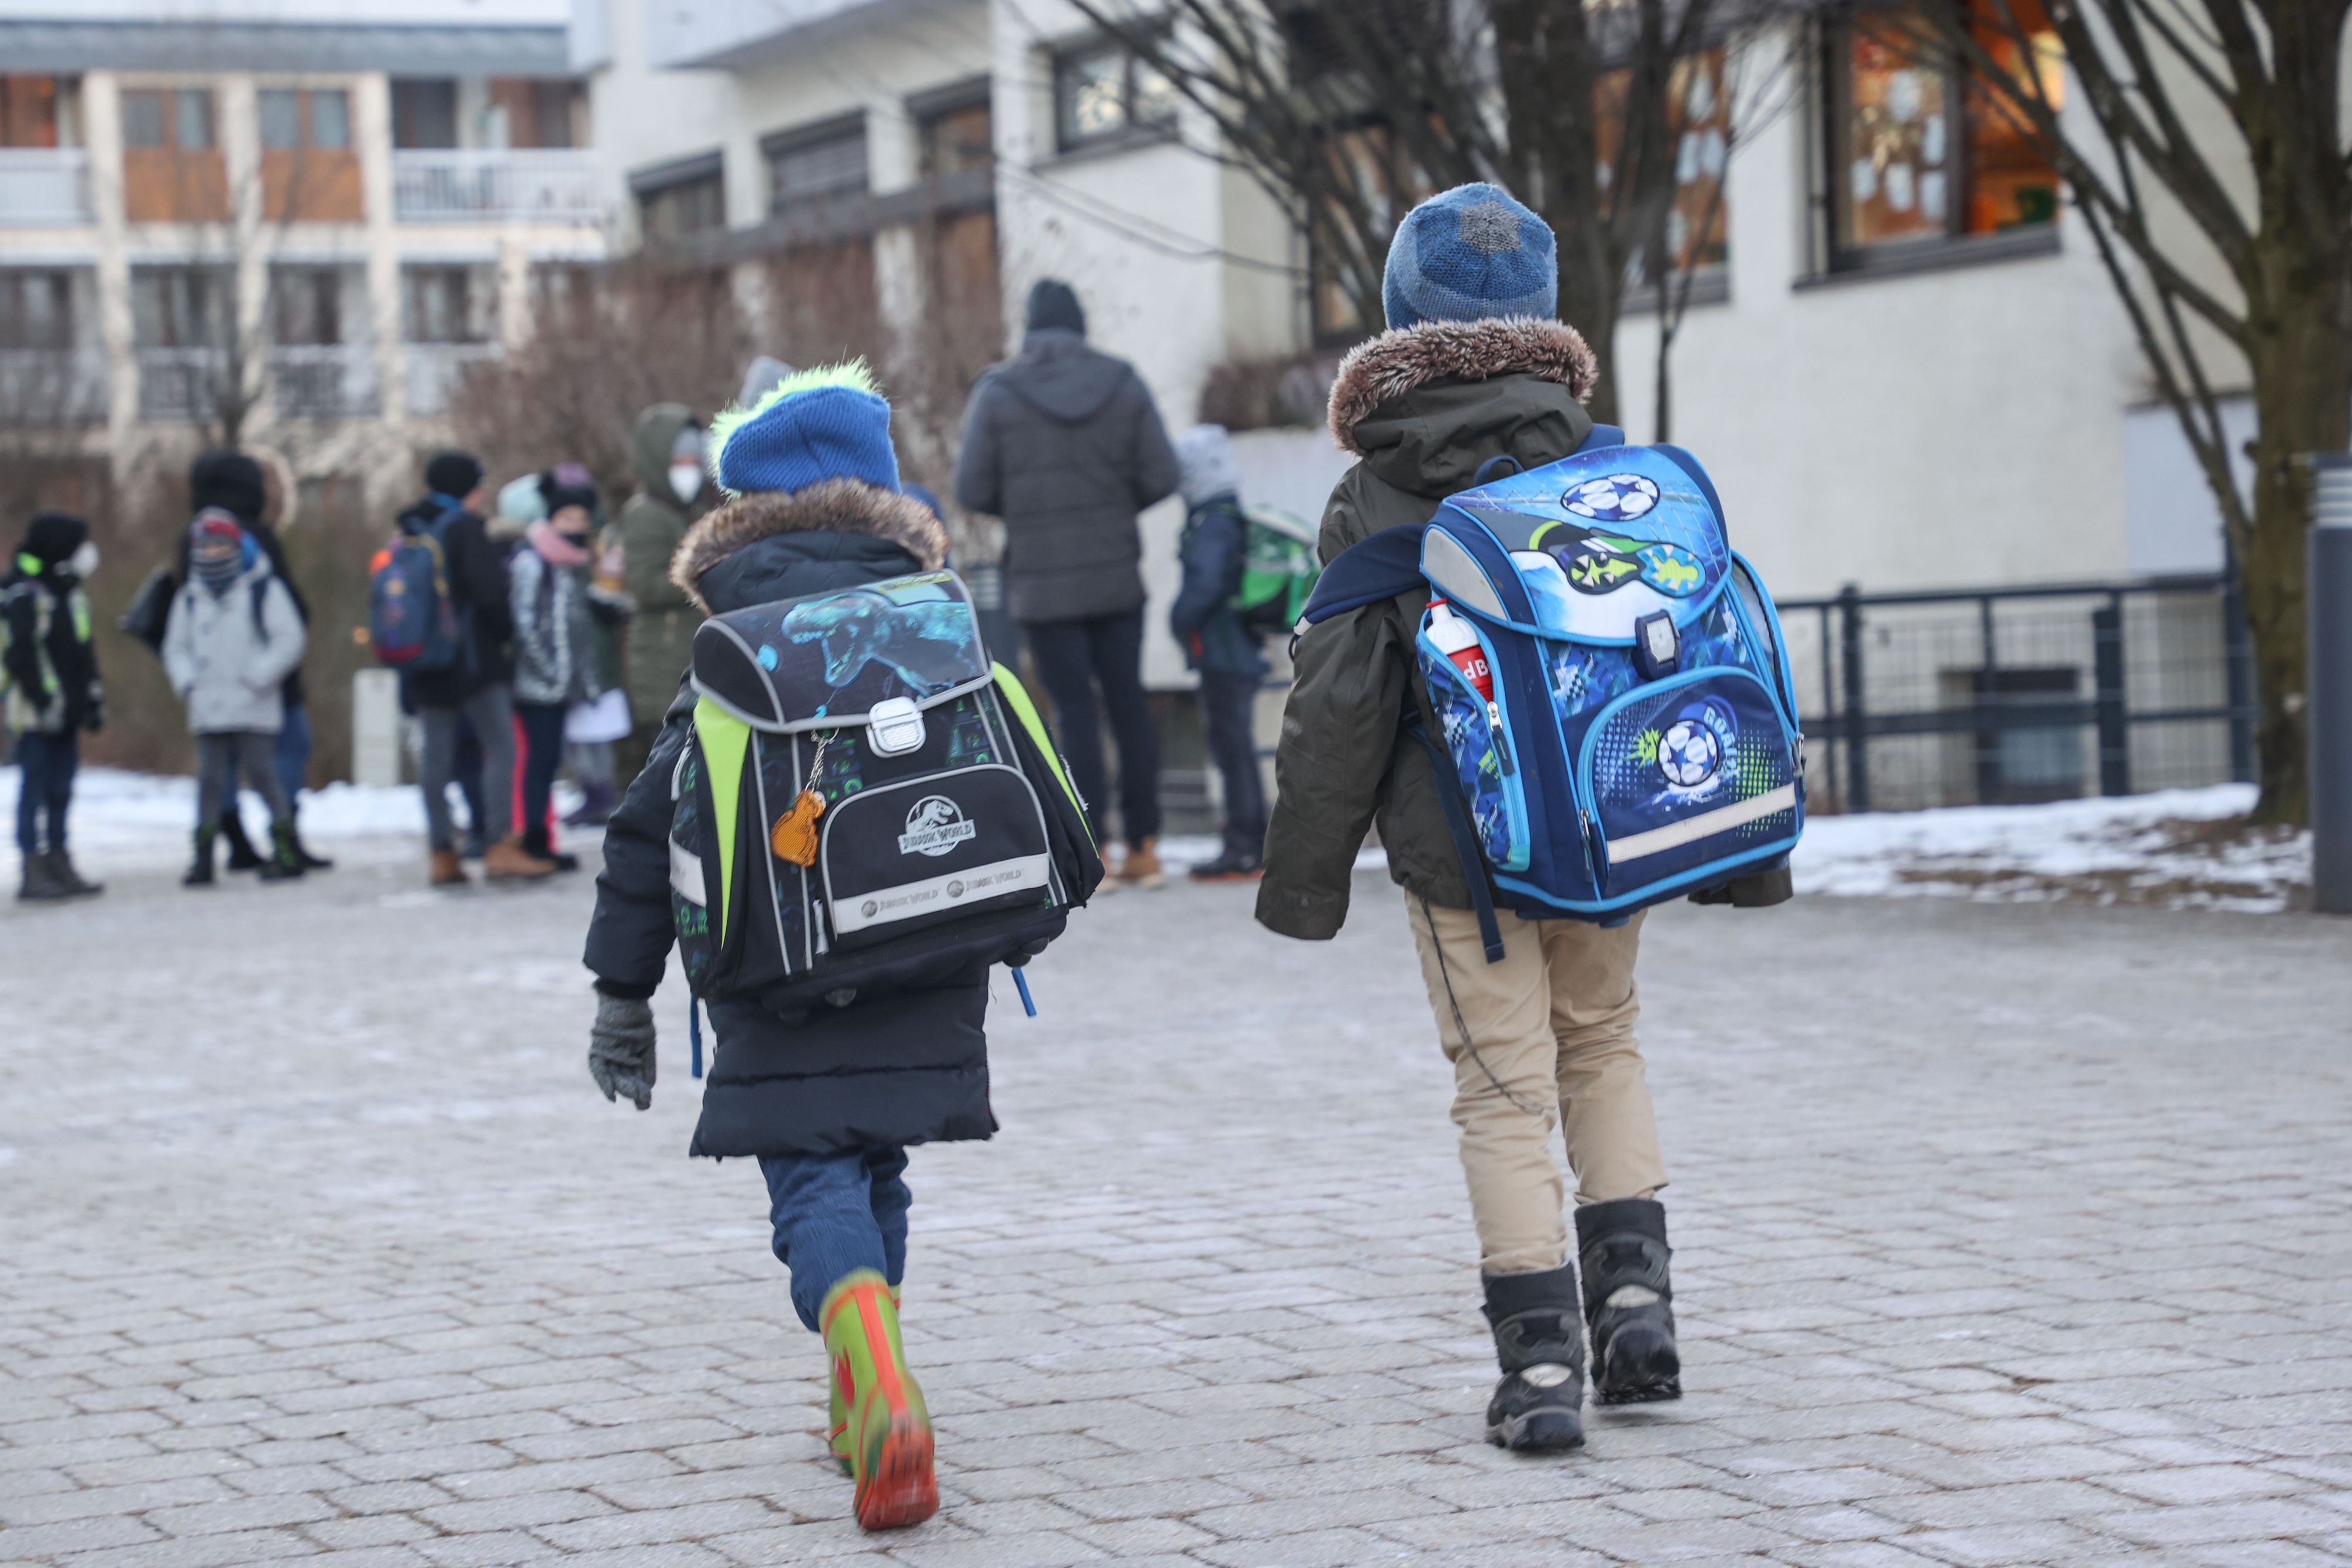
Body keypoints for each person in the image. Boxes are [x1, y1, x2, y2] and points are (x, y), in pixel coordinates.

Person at [1258, 183, 1679, 1454]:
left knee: (1500, 1089)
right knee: (1601, 1042)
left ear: (1399, 318)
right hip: (1604, 830)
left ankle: (1541, 1371)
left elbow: (1337, 708)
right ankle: (1638, 1306)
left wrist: (1304, 882)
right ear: (1540, 317)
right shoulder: (1603, 465)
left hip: (1461, 858)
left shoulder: (1372, 492)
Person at [583, 364, 981, 1534]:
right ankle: (859, 1397)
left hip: (776, 964)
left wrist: (621, 992)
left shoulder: (730, 647)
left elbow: (642, 835)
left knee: (812, 1173)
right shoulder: (935, 619)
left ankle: (863, 1347)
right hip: (929, 941)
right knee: (880, 1162)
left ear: (738, 508)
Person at [954, 278, 1178, 888]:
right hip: (1115, 576)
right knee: (1127, 701)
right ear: (1080, 324)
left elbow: (971, 488)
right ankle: (1146, 846)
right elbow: (1163, 473)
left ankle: (1094, 848)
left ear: (1029, 326)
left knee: (1072, 711)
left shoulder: (998, 392)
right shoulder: (1123, 381)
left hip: (1042, 584)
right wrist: (1112, 502)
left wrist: (1026, 506)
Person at [399, 450, 550, 885]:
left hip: (425, 660)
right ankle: (500, 844)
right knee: (501, 746)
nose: (483, 491)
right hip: (472, 659)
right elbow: (490, 594)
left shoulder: (410, 527)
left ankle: (441, 853)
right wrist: (504, 636)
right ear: (465, 487)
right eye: (478, 483)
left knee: (436, 756)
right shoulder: (466, 528)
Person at [182, 451, 333, 872]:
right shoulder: (253, 540)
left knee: (218, 769)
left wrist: (190, 679)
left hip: (212, 682)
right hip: (266, 683)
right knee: (279, 759)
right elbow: (290, 614)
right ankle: (286, 838)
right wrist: (265, 671)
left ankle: (230, 839)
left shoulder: (192, 538)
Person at [164, 511, 307, 885]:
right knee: (210, 781)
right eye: (206, 544)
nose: (213, 552)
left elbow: (289, 639)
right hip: (208, 705)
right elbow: (175, 647)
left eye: (220, 544)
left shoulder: (263, 588)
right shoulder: (190, 597)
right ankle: (203, 856)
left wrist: (258, 676)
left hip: (253, 703)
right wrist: (188, 682)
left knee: (263, 776)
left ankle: (286, 848)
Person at [1168, 425, 1269, 882]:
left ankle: (1244, 846)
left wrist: (1179, 617)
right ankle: (1253, 843)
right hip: (1237, 651)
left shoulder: (1213, 522)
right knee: (1238, 750)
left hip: (1225, 653)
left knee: (1233, 752)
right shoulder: (1227, 515)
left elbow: (1206, 584)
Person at [4, 509, 105, 901]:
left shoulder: (69, 593)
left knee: (61, 790)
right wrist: (46, 700)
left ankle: (59, 859)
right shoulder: (22, 592)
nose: (86, 553)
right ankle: (32, 868)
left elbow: (84, 653)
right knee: (34, 789)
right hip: (33, 714)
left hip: (69, 712)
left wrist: (93, 699)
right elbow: (22, 655)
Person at [509, 467, 602, 873]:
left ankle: (540, 838)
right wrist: (549, 671)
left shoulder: (572, 566)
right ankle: (533, 839)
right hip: (537, 686)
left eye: (582, 520)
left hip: (562, 686)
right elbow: (525, 623)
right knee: (540, 762)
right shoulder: (534, 562)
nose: (576, 527)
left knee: (549, 763)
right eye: (568, 519)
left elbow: (578, 629)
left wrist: (583, 679)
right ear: (550, 519)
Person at [617, 403, 710, 782]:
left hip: (688, 657)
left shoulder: (694, 508)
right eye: (679, 459)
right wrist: (705, 574)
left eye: (693, 458)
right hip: (661, 664)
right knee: (670, 767)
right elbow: (644, 585)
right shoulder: (645, 515)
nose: (689, 467)